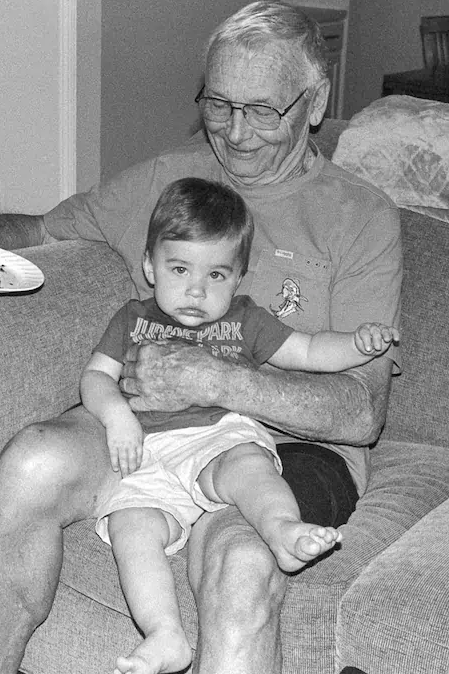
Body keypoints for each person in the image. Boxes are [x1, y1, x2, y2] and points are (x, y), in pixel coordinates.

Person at [0, 0, 403, 674]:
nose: (234, 133)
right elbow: (44, 230)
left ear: (314, 102)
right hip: (156, 426)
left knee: (241, 562)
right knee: (31, 463)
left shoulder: (360, 216)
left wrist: (219, 380)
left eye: (262, 110)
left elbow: (362, 412)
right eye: (218, 104)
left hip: (294, 447)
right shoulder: (166, 181)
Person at [84, 177, 399, 674]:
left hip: (220, 434)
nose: (195, 289)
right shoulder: (132, 319)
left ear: (238, 279)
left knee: (246, 466)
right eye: (180, 269)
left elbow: (310, 351)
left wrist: (359, 344)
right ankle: (165, 634)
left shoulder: (246, 320)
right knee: (130, 525)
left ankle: (283, 531)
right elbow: (96, 377)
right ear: (150, 265)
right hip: (153, 451)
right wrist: (115, 413)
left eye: (216, 276)